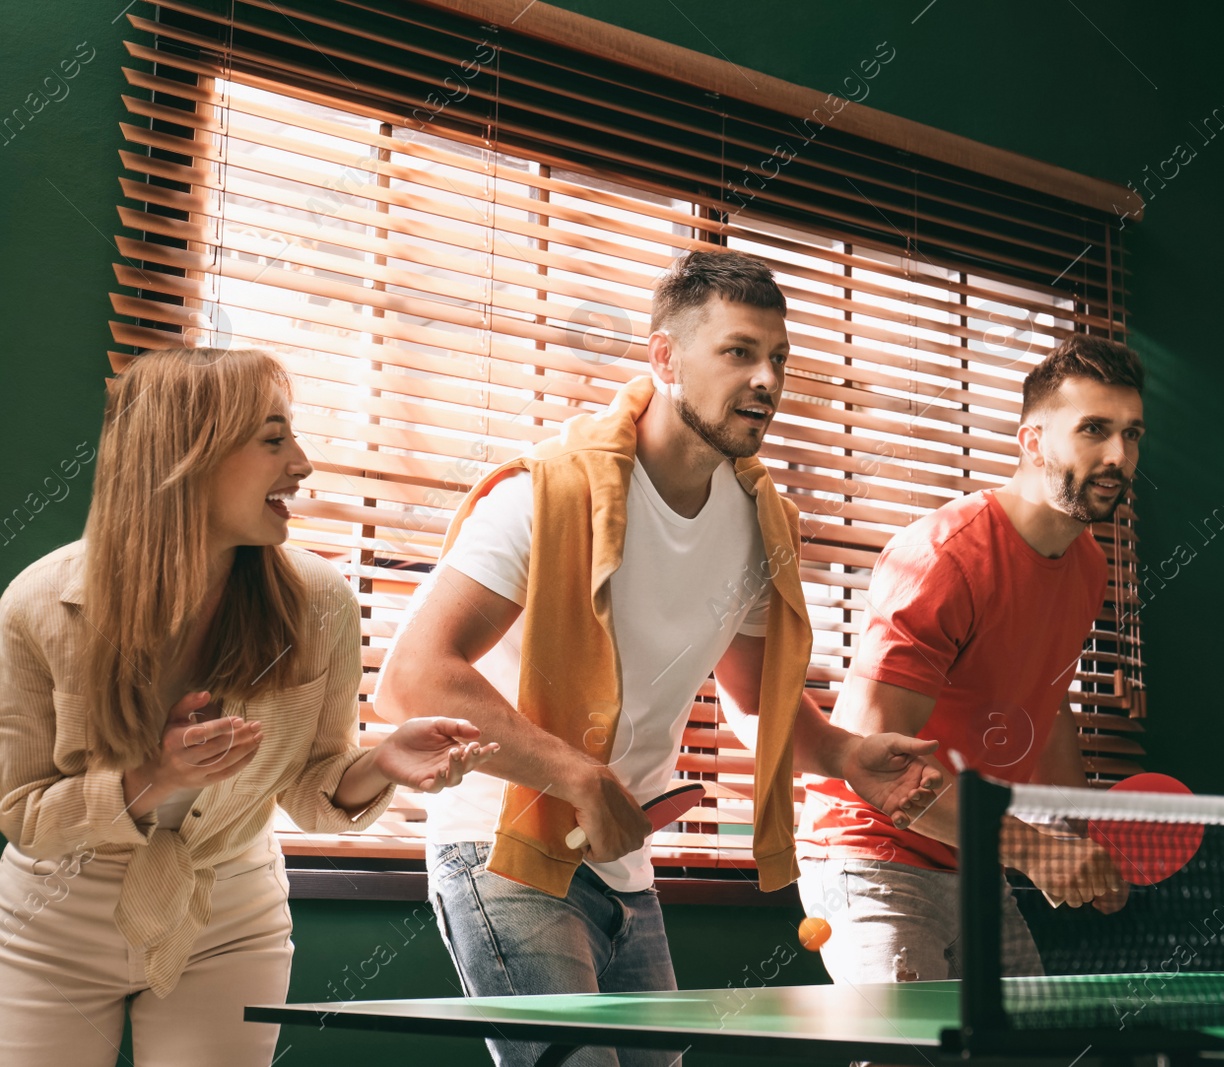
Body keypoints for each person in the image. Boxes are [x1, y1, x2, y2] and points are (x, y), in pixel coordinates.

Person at [375, 250, 941, 1067]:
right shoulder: (546, 493)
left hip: (623, 860)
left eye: (778, 357)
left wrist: (848, 754)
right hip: (504, 845)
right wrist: (579, 777)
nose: (767, 380)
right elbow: (412, 677)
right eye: (739, 352)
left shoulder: (758, 525)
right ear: (665, 358)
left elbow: (753, 703)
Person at [0, 348, 496, 1066]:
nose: (300, 463)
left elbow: (314, 783)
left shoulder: (319, 603)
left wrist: (379, 762)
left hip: (230, 917)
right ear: (185, 455)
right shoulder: (38, 605)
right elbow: (24, 814)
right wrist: (155, 778)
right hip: (54, 922)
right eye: (273, 439)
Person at [794, 335, 1144, 986]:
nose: (1119, 455)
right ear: (1032, 442)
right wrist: (1033, 849)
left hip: (972, 856)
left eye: (1132, 433)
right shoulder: (944, 556)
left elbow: (1050, 696)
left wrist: (1070, 833)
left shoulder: (1088, 566)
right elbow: (883, 767)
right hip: (870, 852)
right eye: (1094, 429)